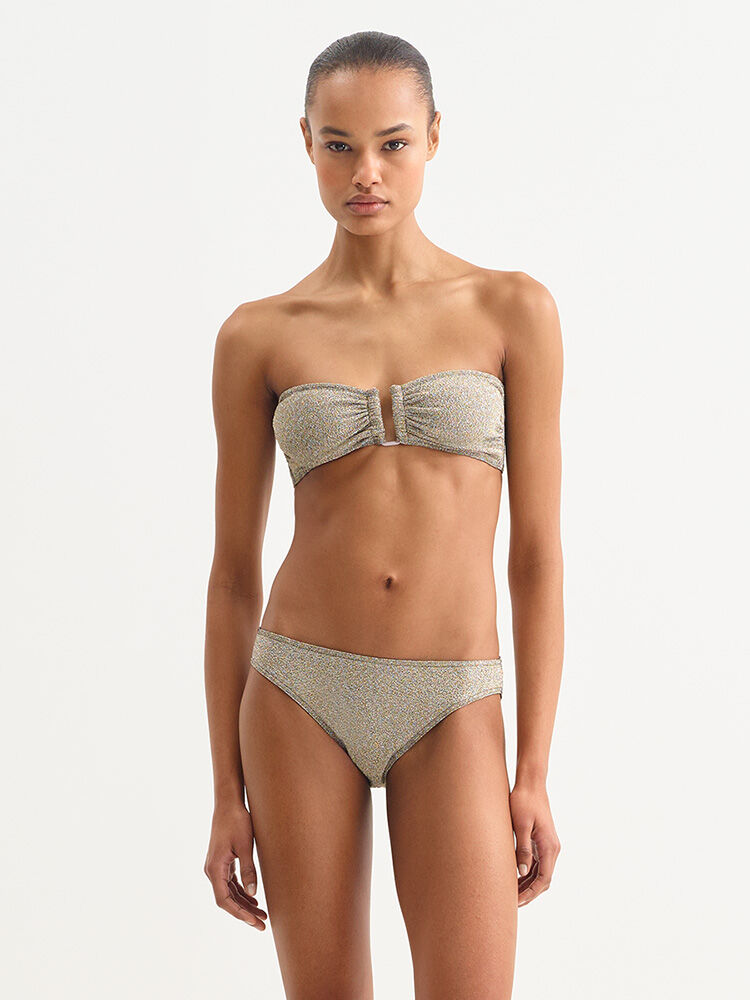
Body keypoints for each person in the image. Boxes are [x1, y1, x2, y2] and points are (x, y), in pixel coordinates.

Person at [203, 30, 564, 1000]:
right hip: (298, 690)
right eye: (339, 145)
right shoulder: (258, 335)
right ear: (307, 143)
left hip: (452, 696)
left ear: (434, 136)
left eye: (392, 143)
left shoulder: (513, 310)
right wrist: (224, 792)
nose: (366, 171)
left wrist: (533, 768)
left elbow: (537, 557)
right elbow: (232, 574)